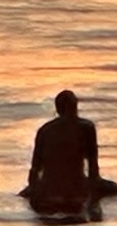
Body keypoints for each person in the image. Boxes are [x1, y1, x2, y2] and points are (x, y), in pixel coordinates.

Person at [21, 89, 110, 218]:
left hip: (48, 190)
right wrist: (94, 198)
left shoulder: (45, 130)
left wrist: (33, 190)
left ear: (58, 109)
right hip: (74, 188)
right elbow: (93, 167)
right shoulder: (86, 127)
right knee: (113, 189)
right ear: (75, 106)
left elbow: (35, 168)